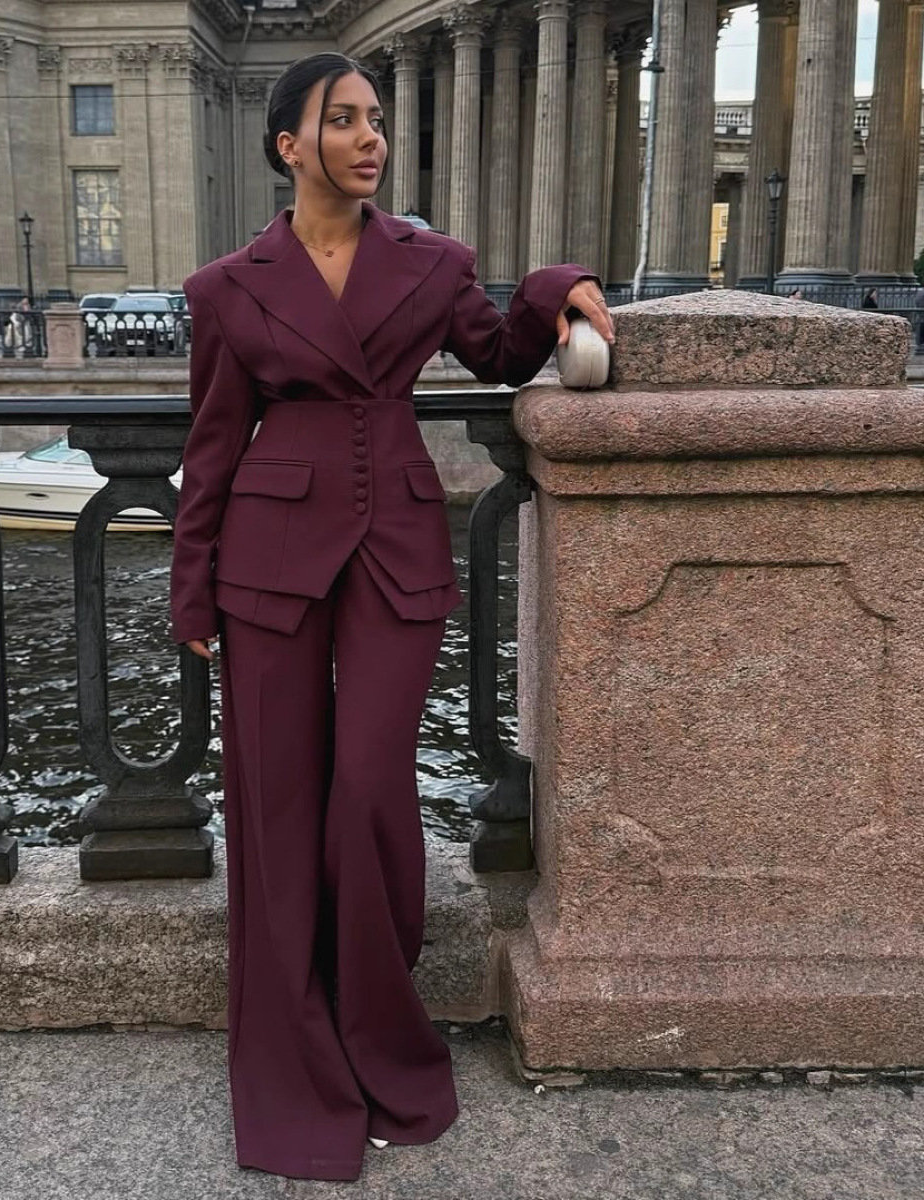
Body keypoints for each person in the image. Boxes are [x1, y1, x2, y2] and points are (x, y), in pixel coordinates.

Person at [169, 53, 613, 1183]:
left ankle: (376, 1031)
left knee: (370, 789)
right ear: (290, 145)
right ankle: (295, 1052)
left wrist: (560, 285)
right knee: (275, 804)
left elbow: (502, 353)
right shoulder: (227, 287)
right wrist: (192, 585)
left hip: (396, 548)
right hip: (267, 560)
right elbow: (213, 444)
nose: (371, 137)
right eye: (345, 120)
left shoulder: (433, 262)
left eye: (376, 119)